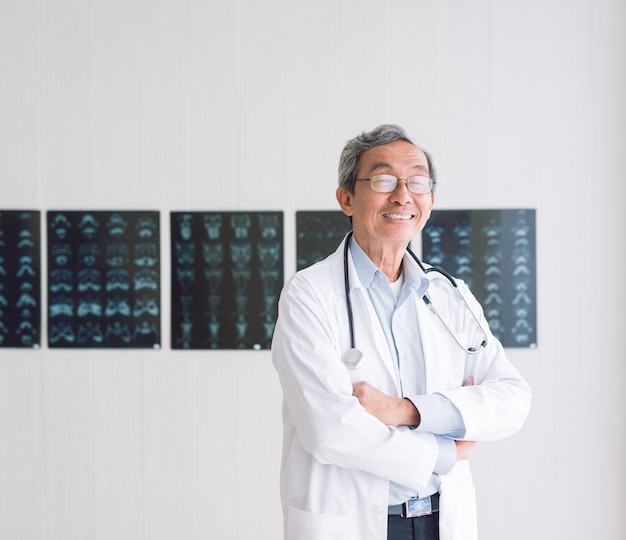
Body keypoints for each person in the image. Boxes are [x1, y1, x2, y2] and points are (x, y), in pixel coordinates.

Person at [271, 124, 531, 540]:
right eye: (383, 179)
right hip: (351, 521)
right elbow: (330, 430)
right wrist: (447, 447)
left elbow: (512, 399)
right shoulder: (309, 295)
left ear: (430, 200)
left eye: (417, 181)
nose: (403, 195)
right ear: (346, 198)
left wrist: (405, 410)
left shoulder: (450, 294)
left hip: (442, 519)